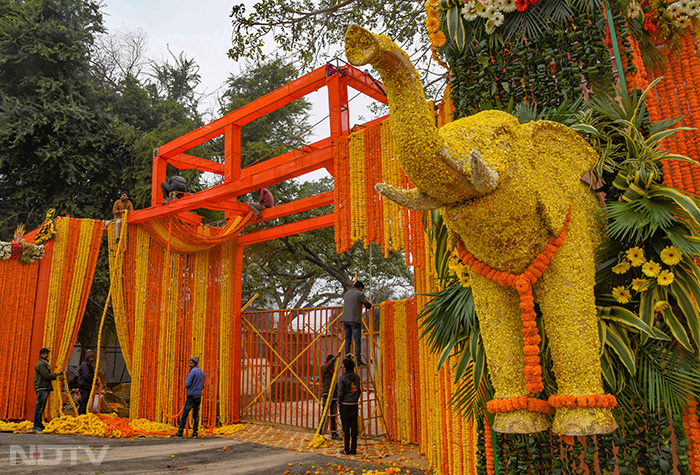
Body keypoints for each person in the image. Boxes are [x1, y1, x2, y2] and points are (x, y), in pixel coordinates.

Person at [340, 281, 372, 366]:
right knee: (357, 340)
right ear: (360, 287)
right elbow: (367, 305)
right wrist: (370, 303)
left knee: (347, 340)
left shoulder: (346, 293)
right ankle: (357, 360)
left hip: (345, 320)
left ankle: (347, 359)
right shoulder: (360, 294)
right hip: (354, 320)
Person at [33, 348, 63, 432]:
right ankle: (36, 425)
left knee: (41, 407)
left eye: (47, 354)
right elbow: (46, 375)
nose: (46, 355)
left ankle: (39, 424)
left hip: (44, 387)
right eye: (44, 354)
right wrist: (56, 375)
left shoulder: (44, 363)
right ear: (41, 355)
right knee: (39, 407)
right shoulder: (41, 364)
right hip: (42, 387)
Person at [174, 357, 205, 438]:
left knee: (185, 414)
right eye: (189, 363)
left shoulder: (192, 372)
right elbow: (203, 385)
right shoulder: (202, 372)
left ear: (195, 363)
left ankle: (180, 432)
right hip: (198, 395)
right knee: (196, 415)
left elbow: (187, 384)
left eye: (191, 363)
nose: (189, 365)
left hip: (191, 395)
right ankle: (195, 433)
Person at [337, 356, 362, 455]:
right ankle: (354, 449)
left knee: (346, 428)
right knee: (354, 427)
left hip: (345, 405)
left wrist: (339, 402)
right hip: (354, 404)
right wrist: (355, 399)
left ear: (346, 367)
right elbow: (359, 391)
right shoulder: (357, 377)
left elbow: (340, 393)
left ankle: (346, 449)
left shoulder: (343, 378)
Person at [319, 353, 342, 440]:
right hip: (327, 394)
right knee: (324, 414)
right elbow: (326, 367)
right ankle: (319, 432)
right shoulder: (324, 368)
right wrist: (334, 358)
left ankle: (334, 433)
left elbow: (335, 384)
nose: (333, 364)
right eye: (332, 362)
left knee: (333, 414)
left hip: (333, 394)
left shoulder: (333, 371)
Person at [77, 349, 95, 415]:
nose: (92, 359)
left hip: (86, 385)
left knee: (85, 401)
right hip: (85, 386)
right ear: (87, 358)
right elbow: (87, 376)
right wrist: (94, 381)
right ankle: (81, 415)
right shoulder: (85, 365)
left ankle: (83, 414)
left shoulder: (88, 364)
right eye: (90, 357)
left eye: (92, 357)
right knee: (84, 402)